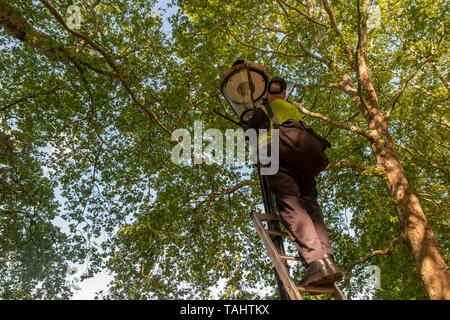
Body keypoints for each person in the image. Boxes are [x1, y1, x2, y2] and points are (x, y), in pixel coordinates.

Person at [245, 76, 343, 288]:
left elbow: (250, 135)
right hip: (303, 160)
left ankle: (316, 262)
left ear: (269, 94)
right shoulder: (293, 110)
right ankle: (327, 258)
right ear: (285, 94)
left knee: (290, 204)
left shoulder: (265, 109)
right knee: (311, 207)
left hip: (275, 154)